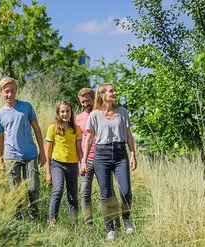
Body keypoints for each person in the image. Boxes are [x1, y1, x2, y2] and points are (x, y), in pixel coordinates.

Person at [80, 83, 137, 241]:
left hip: (120, 154)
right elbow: (89, 139)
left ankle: (127, 221)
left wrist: (133, 155)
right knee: (106, 195)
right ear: (102, 95)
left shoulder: (122, 112)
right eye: (111, 91)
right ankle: (110, 229)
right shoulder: (94, 115)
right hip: (101, 155)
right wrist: (84, 162)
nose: (114, 93)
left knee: (125, 191)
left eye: (114, 90)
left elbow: (129, 136)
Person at [0, 77, 46, 220]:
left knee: (33, 188)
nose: (10, 94)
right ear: (1, 92)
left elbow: (37, 129)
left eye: (12, 91)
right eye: (6, 92)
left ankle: (34, 217)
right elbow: (0, 138)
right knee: (15, 192)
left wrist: (42, 152)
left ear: (16, 91)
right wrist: (1, 160)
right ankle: (18, 220)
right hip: (11, 156)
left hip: (30, 154)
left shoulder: (27, 107)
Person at [75, 88, 120, 227]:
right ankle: (89, 224)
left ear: (93, 98)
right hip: (86, 160)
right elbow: (78, 140)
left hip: (103, 158)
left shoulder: (102, 114)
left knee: (109, 192)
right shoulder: (78, 118)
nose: (85, 104)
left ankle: (116, 222)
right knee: (85, 193)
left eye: (87, 101)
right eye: (82, 102)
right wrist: (81, 161)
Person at [45, 101, 83, 226]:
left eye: (67, 111)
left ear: (71, 113)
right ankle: (52, 220)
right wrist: (48, 173)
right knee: (58, 189)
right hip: (57, 164)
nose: (65, 114)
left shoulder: (76, 130)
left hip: (72, 164)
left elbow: (79, 150)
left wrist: (82, 164)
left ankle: (74, 224)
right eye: (62, 111)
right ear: (58, 113)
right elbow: (48, 152)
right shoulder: (53, 128)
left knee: (73, 195)